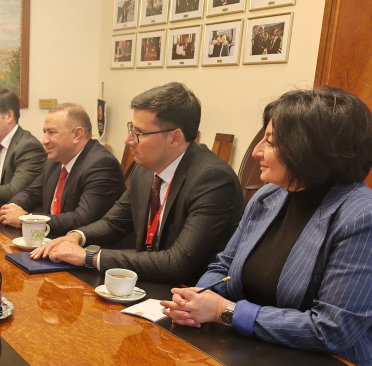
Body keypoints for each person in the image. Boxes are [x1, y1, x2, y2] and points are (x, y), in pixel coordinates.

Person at [161, 88, 372, 366]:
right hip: (256, 355)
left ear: (311, 151)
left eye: (271, 142)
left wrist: (225, 311)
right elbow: (224, 267)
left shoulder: (364, 217)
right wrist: (198, 297)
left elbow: (333, 329)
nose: (256, 151)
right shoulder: (269, 196)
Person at [30, 83, 244, 285]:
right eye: (131, 129)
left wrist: (90, 257)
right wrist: (76, 236)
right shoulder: (144, 169)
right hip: (147, 280)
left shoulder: (212, 179)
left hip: (190, 293)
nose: (128, 140)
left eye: (139, 133)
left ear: (175, 138)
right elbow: (113, 223)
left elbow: (178, 263)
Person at [0, 103, 125, 237]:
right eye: (45, 132)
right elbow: (31, 193)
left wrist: (27, 219)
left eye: (51, 132)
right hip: (51, 240)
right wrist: (11, 209)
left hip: (86, 245)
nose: (44, 140)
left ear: (77, 134)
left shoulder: (101, 164)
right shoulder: (54, 160)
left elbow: (82, 220)